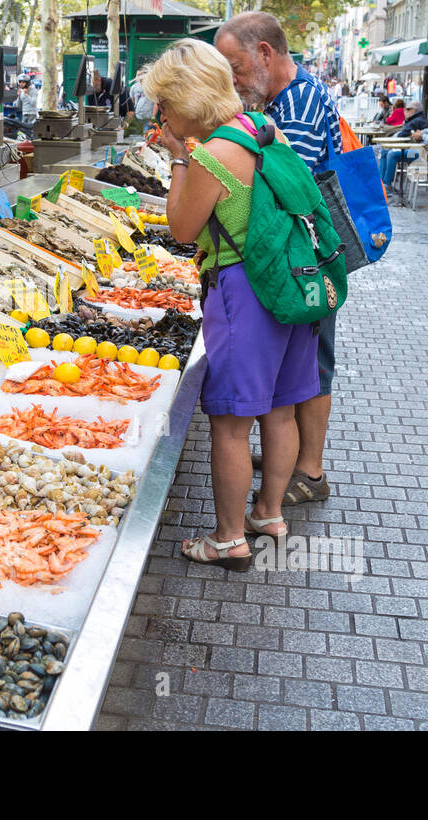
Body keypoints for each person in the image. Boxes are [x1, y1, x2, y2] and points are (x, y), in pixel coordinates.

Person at [143, 38, 318, 569]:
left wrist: (178, 161)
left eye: (164, 104)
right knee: (282, 410)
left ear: (186, 98)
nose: (161, 114)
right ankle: (269, 513)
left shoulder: (214, 155)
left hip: (245, 292)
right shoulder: (263, 129)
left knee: (231, 424)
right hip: (292, 286)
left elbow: (182, 227)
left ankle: (227, 540)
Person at [215, 11, 344, 508]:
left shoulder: (302, 101)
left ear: (265, 53)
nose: (234, 80)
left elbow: (293, 189)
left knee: (312, 365)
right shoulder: (280, 100)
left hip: (307, 261)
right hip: (297, 259)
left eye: (237, 67)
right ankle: (288, 460)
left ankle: (309, 471)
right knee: (299, 366)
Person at [377, 103, 428, 186]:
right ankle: (380, 183)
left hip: (425, 155)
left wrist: (422, 135)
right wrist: (422, 134)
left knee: (392, 154)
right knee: (385, 151)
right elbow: (426, 131)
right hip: (419, 150)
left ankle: (387, 185)